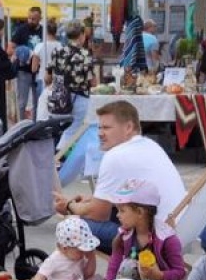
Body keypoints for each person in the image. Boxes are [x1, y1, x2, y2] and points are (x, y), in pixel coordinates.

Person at [53, 100, 187, 250]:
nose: (100, 133)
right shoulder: (150, 145)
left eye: (106, 128)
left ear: (128, 127)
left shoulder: (116, 155)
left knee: (74, 226)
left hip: (154, 240)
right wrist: (95, 200)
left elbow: (98, 214)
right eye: (99, 127)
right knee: (105, 213)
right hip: (179, 229)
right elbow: (130, 195)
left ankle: (76, 271)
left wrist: (69, 207)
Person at [104, 178, 187, 280]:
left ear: (140, 212)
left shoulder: (166, 238)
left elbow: (180, 272)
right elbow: (114, 265)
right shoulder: (125, 235)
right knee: (128, 264)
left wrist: (159, 275)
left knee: (145, 267)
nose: (118, 215)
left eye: (122, 210)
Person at [28, 216, 103, 280]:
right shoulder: (55, 260)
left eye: (85, 249)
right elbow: (38, 278)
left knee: (98, 279)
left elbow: (88, 275)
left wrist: (91, 256)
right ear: (64, 248)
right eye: (80, 250)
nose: (83, 253)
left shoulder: (78, 257)